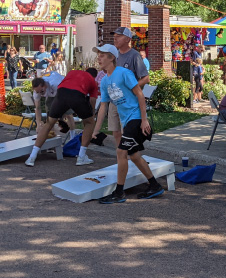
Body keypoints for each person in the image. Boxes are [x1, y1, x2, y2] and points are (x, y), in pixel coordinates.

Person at [91, 44, 164, 204]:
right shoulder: (104, 81)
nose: (99, 58)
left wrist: (144, 120)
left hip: (136, 118)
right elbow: (104, 106)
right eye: (98, 55)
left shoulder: (124, 73)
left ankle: (119, 193)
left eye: (102, 55)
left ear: (111, 57)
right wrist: (95, 130)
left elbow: (139, 94)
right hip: (127, 120)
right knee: (134, 155)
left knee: (120, 152)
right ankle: (154, 185)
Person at [25, 69, 99, 167]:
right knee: (90, 123)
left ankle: (32, 157)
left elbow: (64, 88)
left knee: (49, 123)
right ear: (94, 76)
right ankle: (81, 157)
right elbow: (92, 101)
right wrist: (91, 115)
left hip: (61, 93)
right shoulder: (93, 81)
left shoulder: (72, 72)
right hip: (76, 95)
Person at [110, 26, 150, 149]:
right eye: (114, 37)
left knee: (126, 132)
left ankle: (129, 157)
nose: (115, 39)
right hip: (114, 99)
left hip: (128, 101)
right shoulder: (113, 55)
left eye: (119, 37)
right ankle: (121, 157)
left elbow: (145, 78)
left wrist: (132, 87)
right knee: (115, 131)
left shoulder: (134, 55)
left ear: (128, 39)